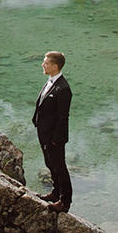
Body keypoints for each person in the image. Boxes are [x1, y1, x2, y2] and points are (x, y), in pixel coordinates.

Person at [32, 50, 71, 213]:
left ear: (55, 66)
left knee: (59, 166)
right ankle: (55, 192)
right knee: (50, 164)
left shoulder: (63, 88)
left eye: (46, 63)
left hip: (54, 136)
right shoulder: (50, 82)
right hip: (44, 132)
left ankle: (65, 201)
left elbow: (63, 117)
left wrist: (56, 139)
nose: (43, 65)